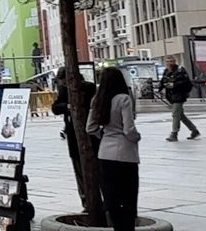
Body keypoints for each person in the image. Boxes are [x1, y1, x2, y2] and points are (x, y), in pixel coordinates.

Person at [87, 66, 141, 231]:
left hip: (105, 153)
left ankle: (117, 226)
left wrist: (102, 135)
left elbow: (90, 128)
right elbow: (129, 129)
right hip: (125, 154)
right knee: (129, 197)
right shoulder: (123, 98)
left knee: (112, 197)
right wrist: (136, 137)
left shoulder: (98, 100)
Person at [52, 66, 98, 210]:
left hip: (91, 133)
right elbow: (55, 107)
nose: (62, 84)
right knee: (79, 169)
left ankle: (96, 200)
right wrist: (67, 106)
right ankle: (85, 201)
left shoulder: (89, 88)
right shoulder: (65, 91)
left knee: (95, 168)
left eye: (64, 81)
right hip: (73, 133)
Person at [159, 56, 199, 142]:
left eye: (171, 61)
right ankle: (194, 130)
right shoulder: (166, 71)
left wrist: (172, 85)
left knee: (175, 114)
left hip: (179, 95)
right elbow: (163, 81)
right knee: (180, 115)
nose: (169, 63)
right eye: (167, 61)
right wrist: (160, 87)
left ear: (175, 61)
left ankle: (174, 133)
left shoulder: (180, 70)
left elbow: (184, 82)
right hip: (171, 96)